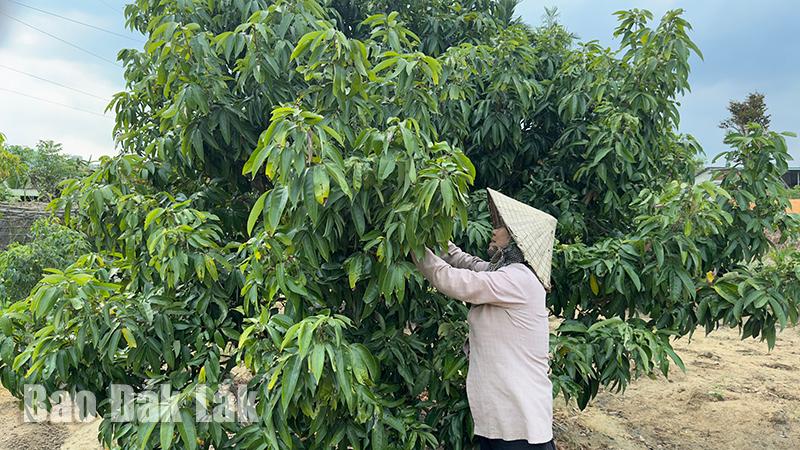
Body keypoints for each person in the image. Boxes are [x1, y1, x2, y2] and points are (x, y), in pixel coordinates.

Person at [413, 188, 557, 450]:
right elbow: (464, 262)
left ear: (516, 238)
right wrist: (432, 234)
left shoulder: (518, 280)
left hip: (519, 425)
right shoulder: (504, 272)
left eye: (501, 226)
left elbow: (453, 280)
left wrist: (410, 243)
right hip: (500, 417)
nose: (494, 229)